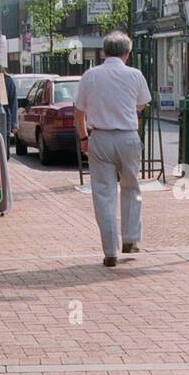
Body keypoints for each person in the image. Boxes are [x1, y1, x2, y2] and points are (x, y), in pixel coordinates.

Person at [73, 30, 151, 268]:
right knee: (131, 187)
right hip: (127, 137)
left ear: (104, 52)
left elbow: (79, 111)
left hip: (100, 138)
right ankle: (130, 238)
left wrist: (84, 138)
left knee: (103, 193)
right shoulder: (135, 75)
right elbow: (141, 104)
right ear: (127, 53)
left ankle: (110, 251)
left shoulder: (90, 75)